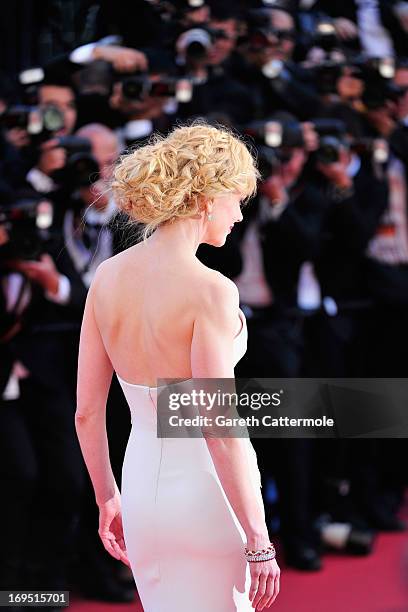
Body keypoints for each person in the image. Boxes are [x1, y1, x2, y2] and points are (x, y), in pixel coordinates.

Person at [75, 123, 281, 611]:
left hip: (141, 487)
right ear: (206, 197)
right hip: (207, 495)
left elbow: (87, 411)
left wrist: (108, 497)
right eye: (235, 198)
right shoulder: (210, 290)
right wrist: (258, 539)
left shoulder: (107, 276)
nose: (237, 215)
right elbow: (217, 424)